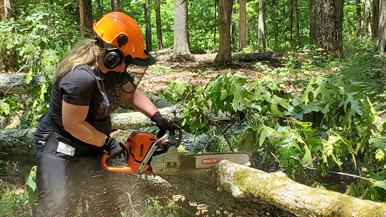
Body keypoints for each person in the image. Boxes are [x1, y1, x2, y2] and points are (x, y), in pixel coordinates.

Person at [34, 11, 175, 217]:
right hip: (60, 146)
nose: (128, 67)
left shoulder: (113, 72)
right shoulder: (80, 78)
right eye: (128, 60)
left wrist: (158, 117)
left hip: (92, 145)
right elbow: (73, 124)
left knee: (105, 206)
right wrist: (108, 143)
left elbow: (132, 94)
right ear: (112, 55)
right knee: (58, 208)